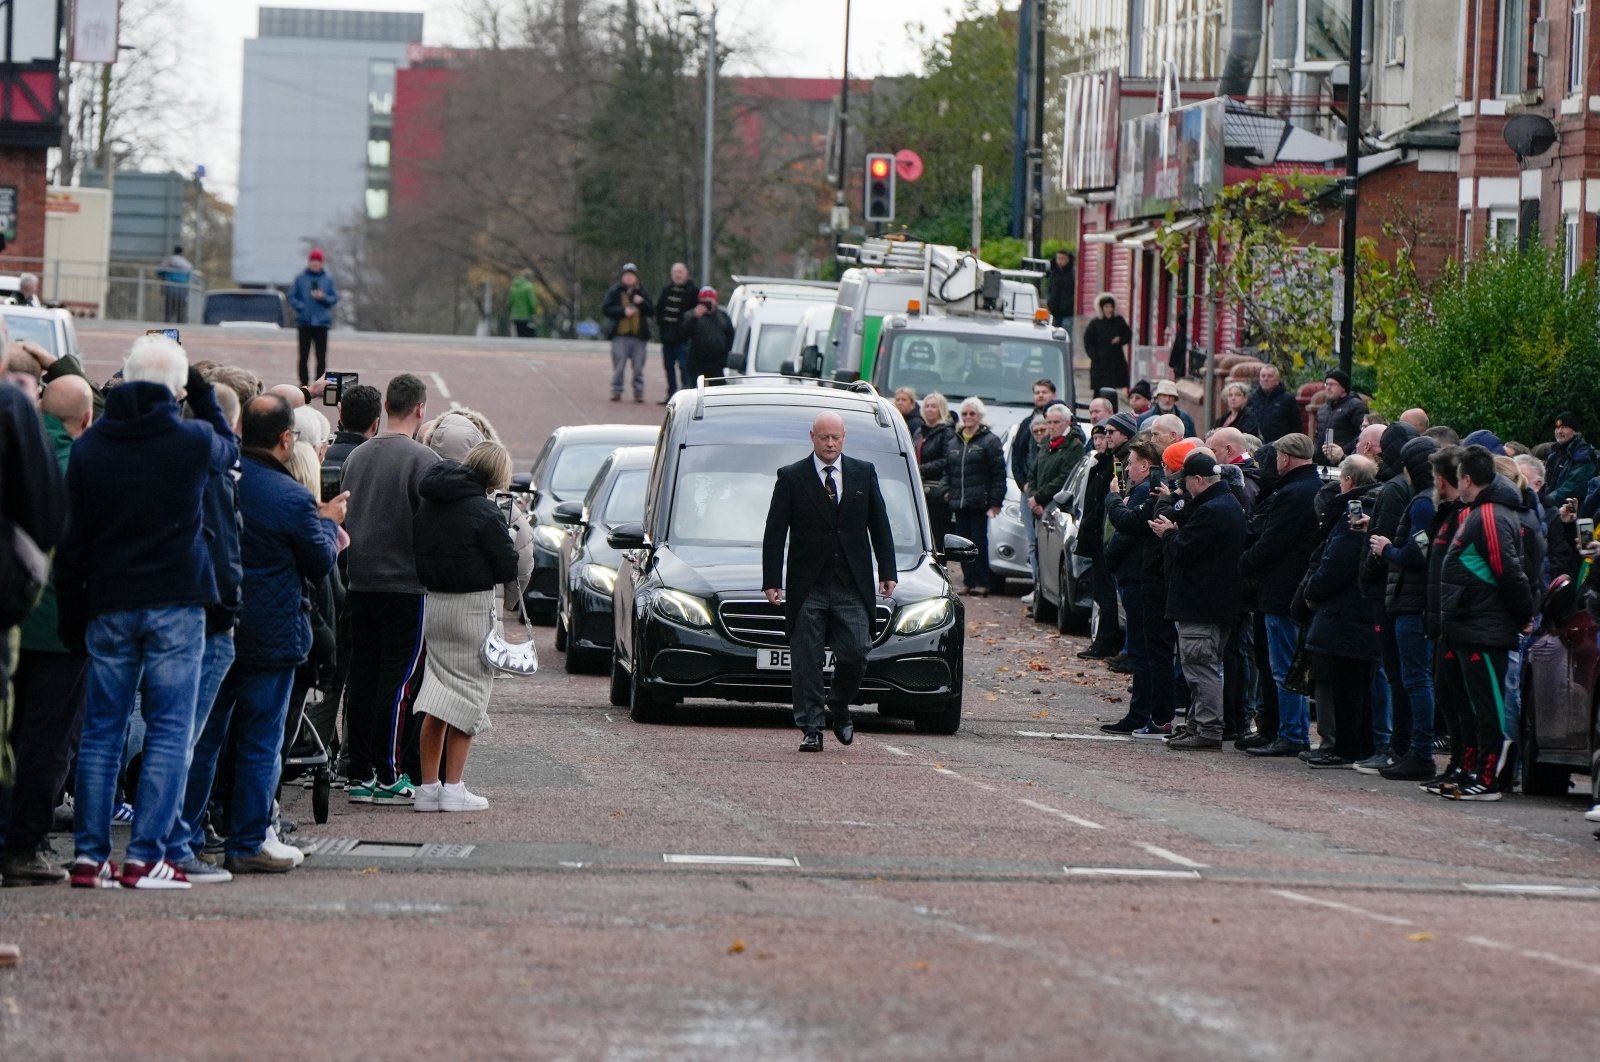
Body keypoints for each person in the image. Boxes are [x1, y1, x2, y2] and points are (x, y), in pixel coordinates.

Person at [56, 336, 235, 889]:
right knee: (168, 730)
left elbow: (72, 542)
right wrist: (199, 388)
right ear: (177, 390)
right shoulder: (190, 440)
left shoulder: (90, 447)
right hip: (176, 600)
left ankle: (90, 856)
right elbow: (230, 445)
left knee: (102, 731)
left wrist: (72, 613)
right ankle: (147, 855)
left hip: (109, 599)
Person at [187, 396, 341, 874]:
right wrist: (329, 524)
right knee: (259, 741)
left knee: (206, 739)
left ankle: (190, 832)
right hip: (273, 633)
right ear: (284, 438)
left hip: (218, 625)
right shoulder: (291, 496)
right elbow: (319, 562)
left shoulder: (218, 479)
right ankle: (249, 838)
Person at [761, 412, 896, 752]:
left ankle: (838, 704)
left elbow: (879, 524)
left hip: (852, 582)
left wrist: (888, 570)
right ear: (812, 437)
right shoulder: (792, 477)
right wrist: (771, 580)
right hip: (809, 585)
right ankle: (811, 728)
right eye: (824, 437)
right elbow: (775, 532)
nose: (830, 443)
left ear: (844, 437)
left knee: (857, 652)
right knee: (806, 659)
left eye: (836, 437)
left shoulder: (863, 473)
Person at [340, 374, 441, 806]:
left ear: (385, 406)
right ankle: (388, 772)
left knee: (361, 677)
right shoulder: (425, 460)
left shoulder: (357, 457)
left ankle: (358, 771)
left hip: (359, 580)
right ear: (420, 409)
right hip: (405, 584)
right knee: (398, 683)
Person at [0, 376, 81, 885]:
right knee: (47, 741)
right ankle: (25, 844)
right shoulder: (76, 462)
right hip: (59, 623)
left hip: (13, 616)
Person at [412, 442, 520, 810]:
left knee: (436, 695)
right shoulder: (485, 511)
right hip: (471, 606)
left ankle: (428, 789)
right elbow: (507, 567)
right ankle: (454, 787)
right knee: (469, 696)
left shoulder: (430, 500)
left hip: (435, 603)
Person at [1438, 445, 1534, 800]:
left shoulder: (1491, 514)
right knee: (1475, 705)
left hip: (1486, 626)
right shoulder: (1479, 511)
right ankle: (1476, 770)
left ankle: (1489, 778)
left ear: (1466, 479)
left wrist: (1523, 616)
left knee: (1489, 707)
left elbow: (1509, 572)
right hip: (1472, 623)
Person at [1150, 448, 1248, 749]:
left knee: (1200, 666)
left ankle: (1207, 728)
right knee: (1203, 664)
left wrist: (1168, 534)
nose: (1183, 488)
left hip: (1201, 602)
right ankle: (1197, 722)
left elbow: (1186, 550)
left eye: (1186, 482)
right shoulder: (1226, 503)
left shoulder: (1212, 510)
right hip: (1217, 601)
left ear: (1198, 479)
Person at [1238, 433, 1322, 757]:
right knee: (1290, 665)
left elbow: (1272, 542)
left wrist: (1243, 563)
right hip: (1298, 589)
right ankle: (1290, 730)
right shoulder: (1314, 488)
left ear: (1285, 458)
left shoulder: (1291, 493)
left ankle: (1291, 733)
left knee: (1283, 666)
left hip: (1281, 590)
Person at [1367, 436, 1441, 780]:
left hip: (1412, 602)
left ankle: (1416, 751)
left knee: (1413, 680)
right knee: (1411, 679)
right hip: (1414, 600)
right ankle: (1410, 749)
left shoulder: (1423, 504)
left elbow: (1418, 551)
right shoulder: (1426, 500)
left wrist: (1386, 550)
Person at [1300, 455, 1382, 768]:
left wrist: (1311, 591)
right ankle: (1357, 745)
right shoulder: (1376, 508)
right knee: (1357, 684)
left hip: (1345, 613)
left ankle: (1345, 747)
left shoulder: (1354, 513)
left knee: (1346, 684)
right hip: (1358, 612)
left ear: (1347, 480)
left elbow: (1336, 562)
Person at [1101, 436, 1165, 733]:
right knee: (1145, 649)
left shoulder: (1144, 493)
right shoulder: (1142, 491)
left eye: (1130, 464)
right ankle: (1148, 713)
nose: (1126, 469)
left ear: (1145, 465)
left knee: (1143, 651)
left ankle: (1142, 714)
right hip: (1135, 577)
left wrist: (1114, 498)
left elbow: (1127, 527)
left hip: (1139, 579)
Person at [1077, 411, 1138, 656]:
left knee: (1110, 595)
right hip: (1099, 535)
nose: (1105, 437)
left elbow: (1117, 498)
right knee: (1103, 594)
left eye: (1110, 433)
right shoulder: (1107, 460)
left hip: (1110, 536)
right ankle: (1111, 642)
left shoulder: (1120, 461)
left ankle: (1110, 643)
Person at [942, 398, 1007, 597]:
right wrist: (946, 489)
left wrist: (995, 502)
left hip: (980, 501)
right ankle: (968, 582)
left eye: (972, 413)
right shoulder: (954, 441)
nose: (968, 417)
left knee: (978, 542)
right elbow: (947, 469)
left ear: (980, 415)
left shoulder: (990, 441)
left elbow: (998, 473)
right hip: (959, 501)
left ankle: (981, 582)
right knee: (961, 544)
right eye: (965, 414)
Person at [601, 263, 654, 403]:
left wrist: (642, 303)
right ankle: (616, 390)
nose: (629, 278)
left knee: (638, 367)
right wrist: (623, 312)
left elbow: (652, 311)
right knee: (619, 365)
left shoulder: (642, 292)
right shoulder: (615, 291)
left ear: (636, 277)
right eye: (627, 275)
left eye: (632, 275)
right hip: (620, 335)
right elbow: (606, 309)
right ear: (623, 277)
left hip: (639, 336)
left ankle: (639, 392)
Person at [288, 249, 339, 388]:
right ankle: (303, 384)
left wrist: (323, 298)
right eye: (313, 262)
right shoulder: (300, 278)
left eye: (318, 262)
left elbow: (334, 298)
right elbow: (292, 296)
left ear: (321, 263)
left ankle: (319, 384)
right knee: (303, 356)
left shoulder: (328, 279)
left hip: (322, 323)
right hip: (304, 322)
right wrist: (301, 306)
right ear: (309, 262)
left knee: (321, 356)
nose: (315, 264)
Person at [655, 262, 698, 399]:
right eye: (675, 272)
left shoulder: (693, 291)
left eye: (680, 272)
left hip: (684, 338)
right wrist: (661, 326)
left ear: (686, 273)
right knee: (668, 368)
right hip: (667, 336)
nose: (678, 275)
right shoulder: (666, 290)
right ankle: (671, 394)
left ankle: (686, 395)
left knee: (684, 367)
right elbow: (659, 310)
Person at [917, 393, 955, 542]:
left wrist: (921, 469)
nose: (929, 409)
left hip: (937, 492)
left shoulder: (947, 432)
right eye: (927, 406)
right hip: (920, 488)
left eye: (934, 406)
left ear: (942, 409)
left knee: (937, 535)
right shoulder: (920, 432)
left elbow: (947, 459)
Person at [1542, 410, 1596, 511]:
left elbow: (1572, 488)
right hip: (1552, 509)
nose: (1559, 431)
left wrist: (1544, 501)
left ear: (1575, 431)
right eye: (1557, 428)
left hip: (1572, 513)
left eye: (1564, 427)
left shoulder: (1583, 454)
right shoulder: (1554, 453)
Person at [682, 286, 734, 384]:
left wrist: (725, 357)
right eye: (704, 300)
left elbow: (730, 336)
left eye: (710, 300)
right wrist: (695, 317)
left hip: (716, 362)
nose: (707, 302)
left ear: (715, 301)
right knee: (696, 390)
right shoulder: (692, 315)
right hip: (697, 362)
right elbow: (683, 333)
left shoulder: (723, 316)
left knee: (718, 391)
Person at [1082, 294, 1132, 394]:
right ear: (1101, 308)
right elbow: (1088, 341)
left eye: (1111, 307)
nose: (1109, 309)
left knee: (1112, 390)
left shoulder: (1118, 321)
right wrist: (1094, 356)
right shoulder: (1095, 323)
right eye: (1106, 307)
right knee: (1099, 391)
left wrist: (1120, 339)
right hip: (1099, 363)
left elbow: (1128, 334)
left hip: (1115, 361)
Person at [1315, 370, 1368, 460]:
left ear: (1343, 388)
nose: (1328, 387)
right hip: (1322, 463)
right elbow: (1318, 435)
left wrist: (1342, 451)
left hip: (1344, 461)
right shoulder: (1323, 409)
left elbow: (1363, 435)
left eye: (1332, 384)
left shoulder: (1356, 406)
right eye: (1326, 384)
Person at [1244, 365, 1302, 443]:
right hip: (1256, 445)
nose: (1266, 379)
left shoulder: (1288, 399)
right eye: (1263, 376)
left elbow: (1296, 426)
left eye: (1270, 376)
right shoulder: (1252, 398)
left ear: (1277, 380)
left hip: (1279, 446)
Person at [159, 246, 194, 324]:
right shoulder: (186, 263)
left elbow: (160, 271)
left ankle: (167, 323)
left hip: (170, 288)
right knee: (180, 309)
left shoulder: (169, 261)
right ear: (181, 252)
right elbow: (190, 274)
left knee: (169, 309)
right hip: (183, 289)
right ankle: (180, 324)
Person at [1045, 250, 1075, 328]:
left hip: (1068, 312)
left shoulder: (1072, 273)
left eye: (1062, 258)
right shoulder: (1054, 272)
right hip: (1055, 311)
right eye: (1058, 258)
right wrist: (1049, 303)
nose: (1060, 261)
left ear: (1068, 260)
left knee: (1066, 331)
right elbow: (1050, 289)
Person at [508, 270, 540, 338]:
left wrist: (510, 312)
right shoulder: (529, 287)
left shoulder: (514, 287)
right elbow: (532, 302)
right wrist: (534, 312)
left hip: (515, 316)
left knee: (520, 335)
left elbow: (509, 302)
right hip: (526, 316)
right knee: (529, 336)